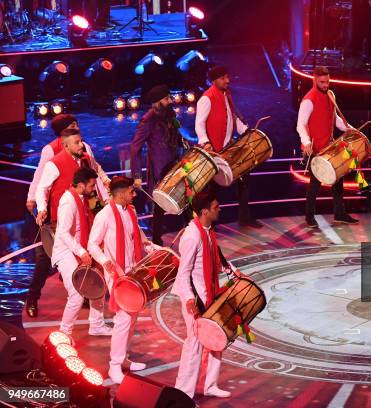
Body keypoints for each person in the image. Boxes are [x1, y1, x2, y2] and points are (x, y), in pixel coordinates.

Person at [24, 114, 108, 318]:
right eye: (72, 127)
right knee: (46, 258)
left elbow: (95, 173)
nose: (77, 130)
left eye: (77, 126)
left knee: (87, 250)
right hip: (59, 215)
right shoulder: (51, 153)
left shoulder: (84, 149)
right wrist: (37, 203)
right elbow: (40, 181)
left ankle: (87, 292)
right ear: (63, 136)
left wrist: (105, 196)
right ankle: (33, 297)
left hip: (85, 211)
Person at [88, 176, 154, 384]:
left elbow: (137, 234)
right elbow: (92, 244)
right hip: (115, 272)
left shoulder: (131, 212)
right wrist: (105, 261)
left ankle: (123, 358)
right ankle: (114, 365)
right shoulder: (104, 215)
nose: (134, 195)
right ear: (121, 194)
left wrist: (147, 245)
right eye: (131, 192)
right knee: (124, 318)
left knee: (133, 316)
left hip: (133, 270)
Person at [172, 191, 237, 399]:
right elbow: (183, 273)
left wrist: (234, 272)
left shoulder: (208, 230)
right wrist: (190, 299)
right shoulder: (192, 236)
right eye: (216, 206)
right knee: (194, 344)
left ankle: (210, 385)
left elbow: (218, 258)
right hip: (195, 298)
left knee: (218, 337)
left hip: (209, 292)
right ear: (204, 211)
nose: (220, 209)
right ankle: (183, 394)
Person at [195, 66, 261, 228]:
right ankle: (207, 223)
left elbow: (232, 116)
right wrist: (205, 141)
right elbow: (199, 124)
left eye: (227, 77)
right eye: (223, 78)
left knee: (244, 179)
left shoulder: (227, 94)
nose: (228, 81)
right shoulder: (206, 98)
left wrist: (245, 131)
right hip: (214, 150)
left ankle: (244, 218)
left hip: (229, 147)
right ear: (214, 80)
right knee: (213, 190)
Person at [296, 66, 359, 228]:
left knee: (338, 179)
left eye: (327, 82)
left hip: (329, 147)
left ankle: (339, 213)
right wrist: (307, 142)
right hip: (315, 149)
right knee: (315, 184)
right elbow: (300, 124)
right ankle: (309, 216)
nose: (325, 85)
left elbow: (335, 118)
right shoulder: (309, 100)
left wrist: (350, 128)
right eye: (322, 82)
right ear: (314, 80)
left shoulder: (330, 95)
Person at [53, 167, 111, 336]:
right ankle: (65, 332)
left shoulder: (81, 198)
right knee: (77, 294)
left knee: (98, 284)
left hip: (79, 249)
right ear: (80, 185)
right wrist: (82, 252)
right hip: (66, 252)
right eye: (92, 186)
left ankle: (97, 325)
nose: (94, 189)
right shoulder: (68, 202)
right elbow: (63, 232)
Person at [131, 84, 187, 245]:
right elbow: (135, 148)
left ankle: (192, 227)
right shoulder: (148, 120)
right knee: (160, 206)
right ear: (157, 102)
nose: (170, 101)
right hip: (160, 167)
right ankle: (156, 239)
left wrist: (187, 145)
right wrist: (137, 176)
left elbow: (178, 134)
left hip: (175, 163)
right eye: (166, 99)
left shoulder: (170, 114)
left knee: (185, 197)